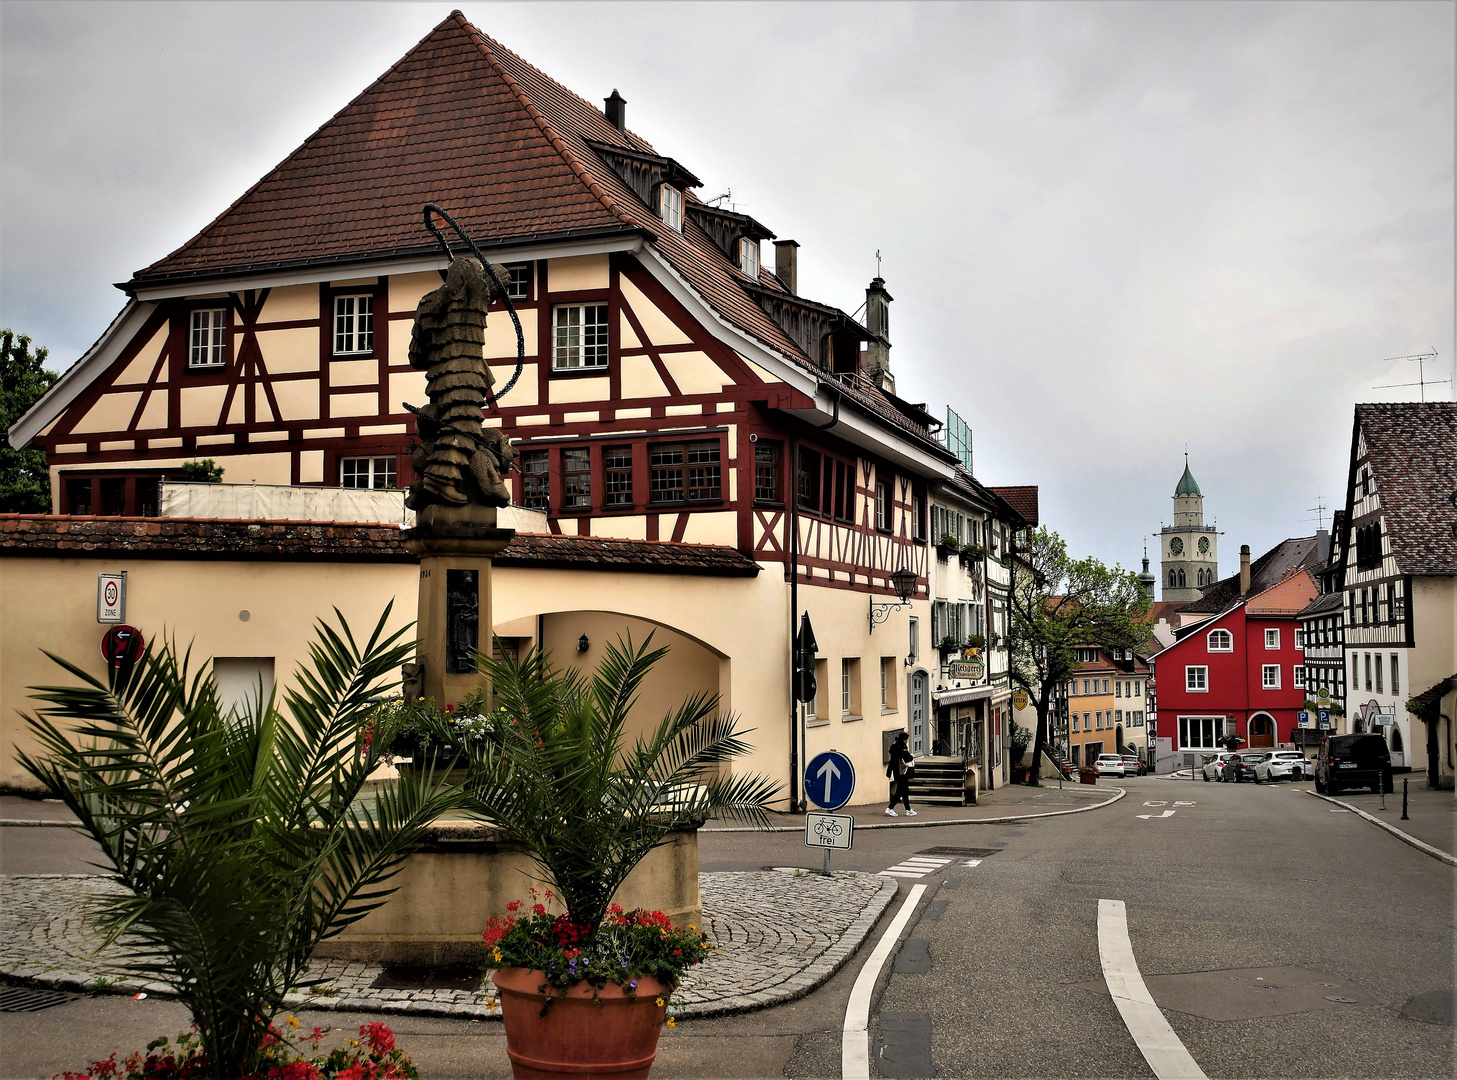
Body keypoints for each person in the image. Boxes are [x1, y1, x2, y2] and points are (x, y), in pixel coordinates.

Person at [885, 731, 916, 817]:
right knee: (900, 791)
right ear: (903, 739)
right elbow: (907, 757)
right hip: (902, 771)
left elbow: (892, 761)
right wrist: (912, 756)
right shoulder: (901, 747)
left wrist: (889, 772)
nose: (907, 741)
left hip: (896, 771)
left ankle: (908, 809)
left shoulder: (894, 747)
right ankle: (890, 808)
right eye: (906, 739)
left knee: (905, 790)